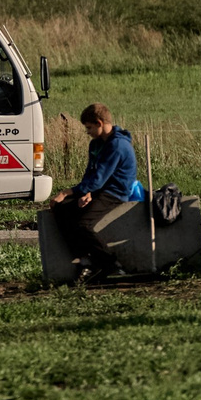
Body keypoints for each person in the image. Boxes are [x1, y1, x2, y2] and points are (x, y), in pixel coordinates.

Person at [46, 102, 144, 281]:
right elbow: (91, 174)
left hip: (115, 192)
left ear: (100, 123)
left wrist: (67, 192)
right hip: (99, 190)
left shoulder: (117, 146)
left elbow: (99, 177)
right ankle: (85, 260)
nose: (87, 132)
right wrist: (86, 192)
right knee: (61, 210)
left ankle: (111, 264)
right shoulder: (97, 144)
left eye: (89, 127)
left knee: (83, 223)